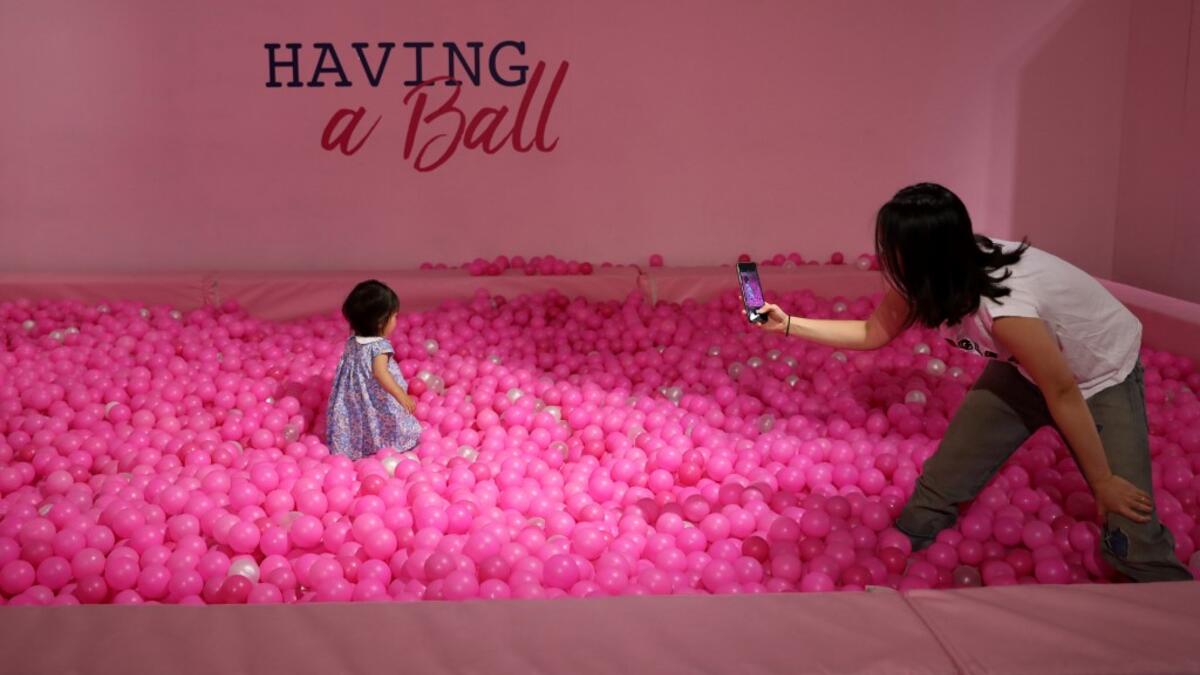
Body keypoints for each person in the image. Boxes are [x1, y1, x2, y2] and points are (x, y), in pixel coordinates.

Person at [757, 182, 1192, 582]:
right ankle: (905, 567)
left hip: (1098, 376)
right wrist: (788, 324)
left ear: (924, 255)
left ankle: (1173, 610)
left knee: (1130, 535)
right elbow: (874, 333)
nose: (883, 257)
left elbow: (1061, 390)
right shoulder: (928, 279)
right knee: (930, 499)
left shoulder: (1004, 308)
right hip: (1023, 371)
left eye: (892, 249)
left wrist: (1102, 482)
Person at [326, 280, 421, 460]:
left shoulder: (353, 341)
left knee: (359, 418)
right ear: (380, 322)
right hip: (376, 396)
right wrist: (400, 394)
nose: (396, 321)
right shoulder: (379, 347)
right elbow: (380, 373)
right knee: (382, 416)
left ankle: (357, 446)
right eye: (394, 316)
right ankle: (387, 445)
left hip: (354, 397)